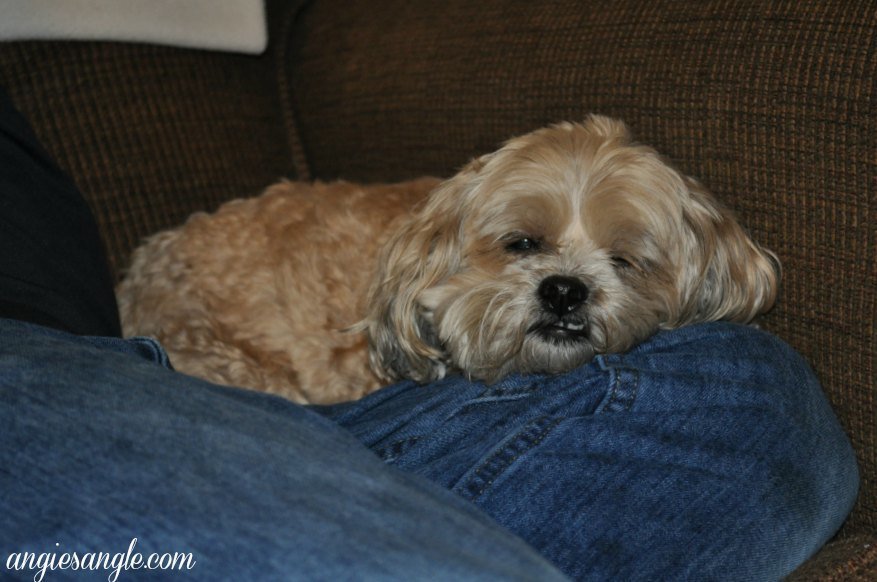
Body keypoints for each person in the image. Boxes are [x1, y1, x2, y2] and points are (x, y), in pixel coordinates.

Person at [0, 85, 858, 581]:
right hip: (98, 384)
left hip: (340, 436)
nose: (566, 282)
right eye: (523, 247)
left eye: (626, 262)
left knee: (754, 387)